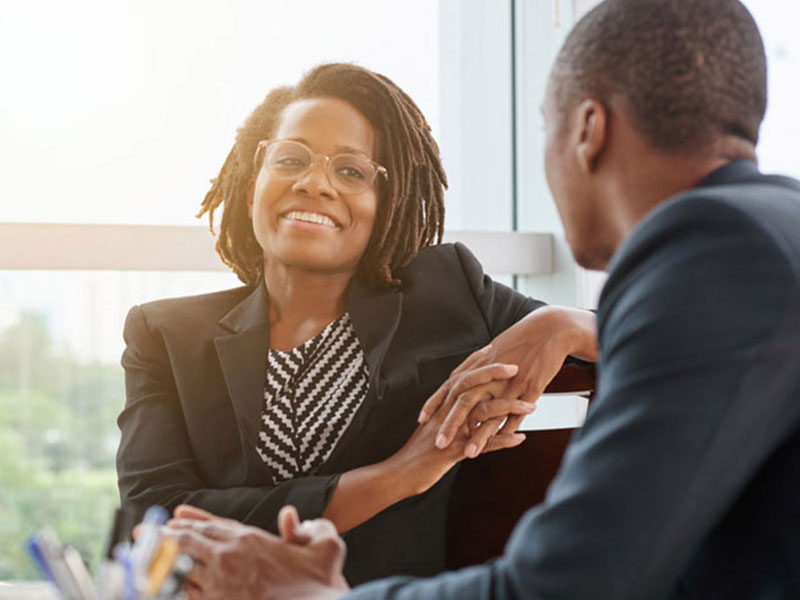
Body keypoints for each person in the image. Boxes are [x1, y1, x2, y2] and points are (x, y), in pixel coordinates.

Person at [166, 0, 800, 598]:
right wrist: (563, 326)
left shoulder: (715, 250)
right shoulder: (768, 229)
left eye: (544, 129)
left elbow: (561, 587)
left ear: (588, 129)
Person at [116, 62, 596, 585]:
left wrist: (559, 323)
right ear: (253, 179)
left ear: (387, 203)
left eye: (350, 170)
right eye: (290, 158)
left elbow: (653, 338)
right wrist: (400, 475)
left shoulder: (448, 293)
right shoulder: (163, 335)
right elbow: (154, 519)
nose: (314, 183)